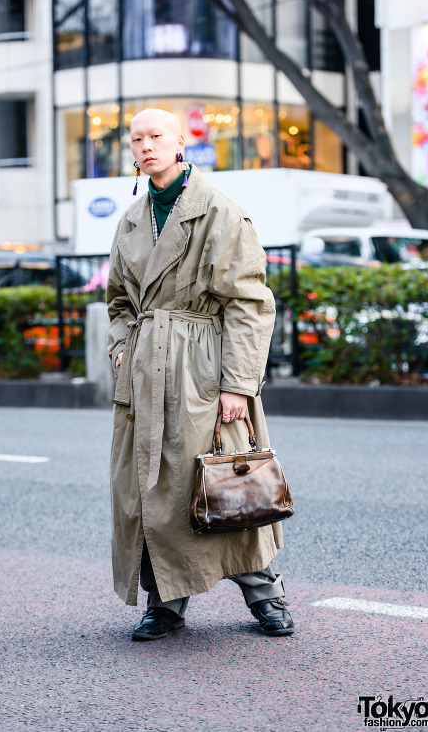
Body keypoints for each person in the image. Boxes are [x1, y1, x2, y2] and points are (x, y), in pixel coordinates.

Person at [107, 109, 294, 641]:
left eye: (156, 136)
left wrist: (238, 382)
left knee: (226, 480)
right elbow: (118, 301)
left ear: (180, 141)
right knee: (151, 488)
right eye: (137, 138)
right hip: (144, 370)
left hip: (202, 366)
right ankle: (164, 604)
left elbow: (250, 302)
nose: (146, 146)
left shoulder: (217, 209)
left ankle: (266, 594)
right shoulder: (132, 218)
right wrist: (123, 347)